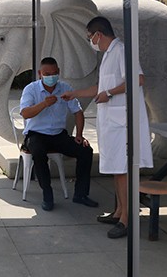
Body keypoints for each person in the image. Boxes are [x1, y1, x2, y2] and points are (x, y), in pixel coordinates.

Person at [61, 16, 153, 239]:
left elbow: (138, 79)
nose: (90, 42)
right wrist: (74, 93)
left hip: (123, 125)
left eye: (90, 37)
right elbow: (99, 88)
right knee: (116, 170)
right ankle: (119, 211)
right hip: (113, 125)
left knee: (123, 171)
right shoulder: (107, 56)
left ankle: (126, 220)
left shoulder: (121, 51)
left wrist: (110, 93)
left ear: (98, 35)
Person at [20, 57, 98, 212]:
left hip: (58, 135)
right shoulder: (31, 89)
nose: (51, 77)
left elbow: (78, 112)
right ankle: (47, 195)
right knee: (38, 153)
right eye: (47, 74)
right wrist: (44, 104)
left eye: (54, 73)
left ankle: (81, 194)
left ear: (59, 72)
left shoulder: (65, 88)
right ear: (40, 74)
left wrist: (79, 135)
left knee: (85, 151)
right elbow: (25, 113)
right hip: (36, 134)